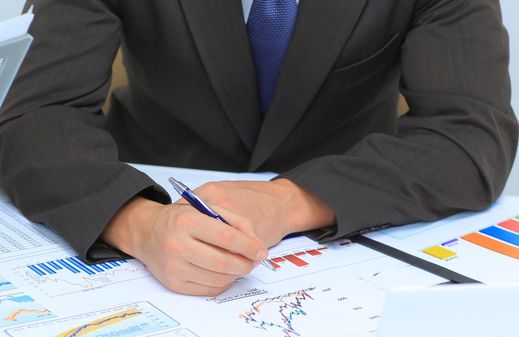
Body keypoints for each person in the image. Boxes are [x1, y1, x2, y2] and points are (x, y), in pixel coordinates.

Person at [0, 0, 517, 296]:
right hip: (142, 210)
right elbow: (33, 112)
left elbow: (470, 132)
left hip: (347, 226)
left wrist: (287, 200)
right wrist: (140, 223)